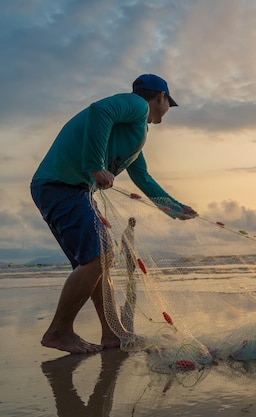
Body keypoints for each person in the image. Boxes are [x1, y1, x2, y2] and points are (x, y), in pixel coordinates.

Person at [31, 74, 198, 354]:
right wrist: (95, 165)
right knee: (96, 259)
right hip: (60, 185)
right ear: (161, 98)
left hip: (74, 190)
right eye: (169, 103)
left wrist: (174, 208)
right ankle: (59, 332)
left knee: (102, 260)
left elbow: (143, 177)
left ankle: (113, 334)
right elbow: (101, 110)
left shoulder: (133, 137)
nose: (167, 110)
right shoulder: (137, 105)